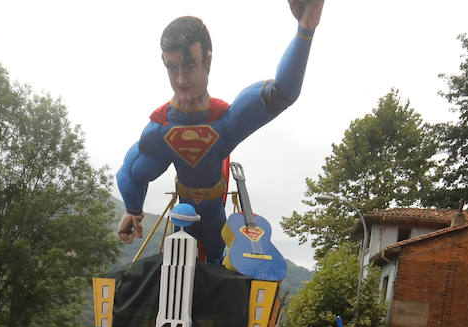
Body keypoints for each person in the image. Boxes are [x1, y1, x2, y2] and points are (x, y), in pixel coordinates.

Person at [115, 2, 324, 263]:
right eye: (172, 67)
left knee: (214, 253)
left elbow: (282, 93)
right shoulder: (160, 128)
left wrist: (305, 31)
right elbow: (131, 171)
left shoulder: (225, 122)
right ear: (164, 64)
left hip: (214, 212)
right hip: (185, 211)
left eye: (190, 66)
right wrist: (132, 209)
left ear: (207, 61)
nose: (180, 79)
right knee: (181, 251)